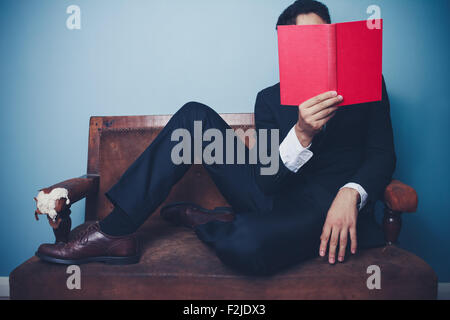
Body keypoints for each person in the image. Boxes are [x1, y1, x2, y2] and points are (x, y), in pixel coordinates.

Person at [36, 0, 395, 276]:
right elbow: (266, 181)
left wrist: (353, 192)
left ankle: (207, 220)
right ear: (290, 52)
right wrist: (301, 133)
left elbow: (382, 155)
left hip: (324, 207)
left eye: (324, 38)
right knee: (195, 117)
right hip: (272, 195)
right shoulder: (270, 99)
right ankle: (116, 232)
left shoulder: (368, 84)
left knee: (248, 245)